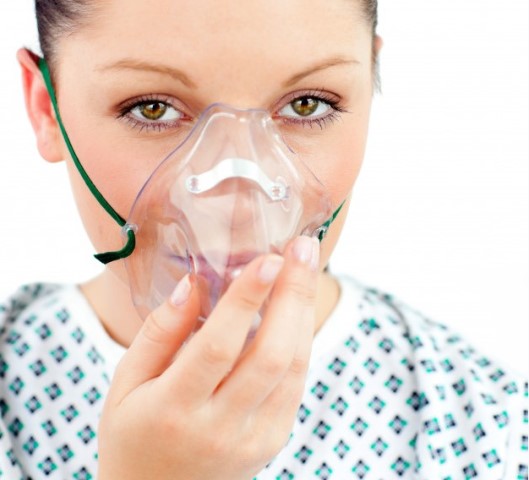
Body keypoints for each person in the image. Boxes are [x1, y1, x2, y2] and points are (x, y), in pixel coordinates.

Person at [0, 0, 526, 479]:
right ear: (47, 109)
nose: (238, 199)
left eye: (308, 105)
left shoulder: (495, 438)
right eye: (152, 108)